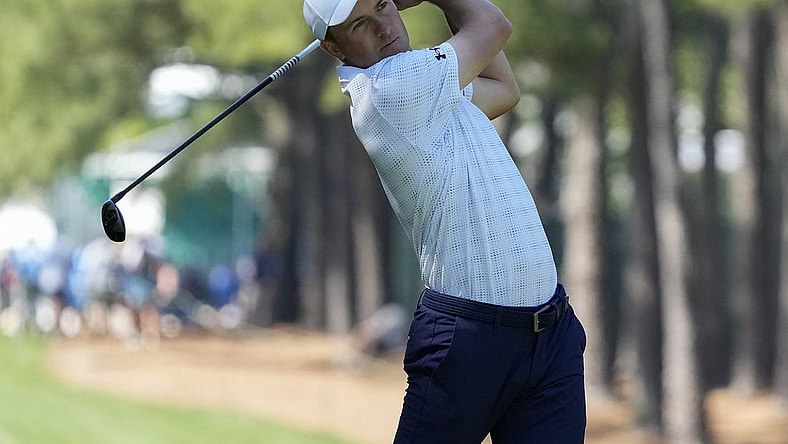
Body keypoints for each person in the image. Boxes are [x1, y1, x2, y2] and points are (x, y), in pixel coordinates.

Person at [302, 0, 587, 442]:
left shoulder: (429, 87)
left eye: (383, 5)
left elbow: (503, 88)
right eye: (360, 23)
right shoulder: (390, 90)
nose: (383, 27)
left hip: (549, 334)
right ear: (333, 49)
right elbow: (492, 24)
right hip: (468, 341)